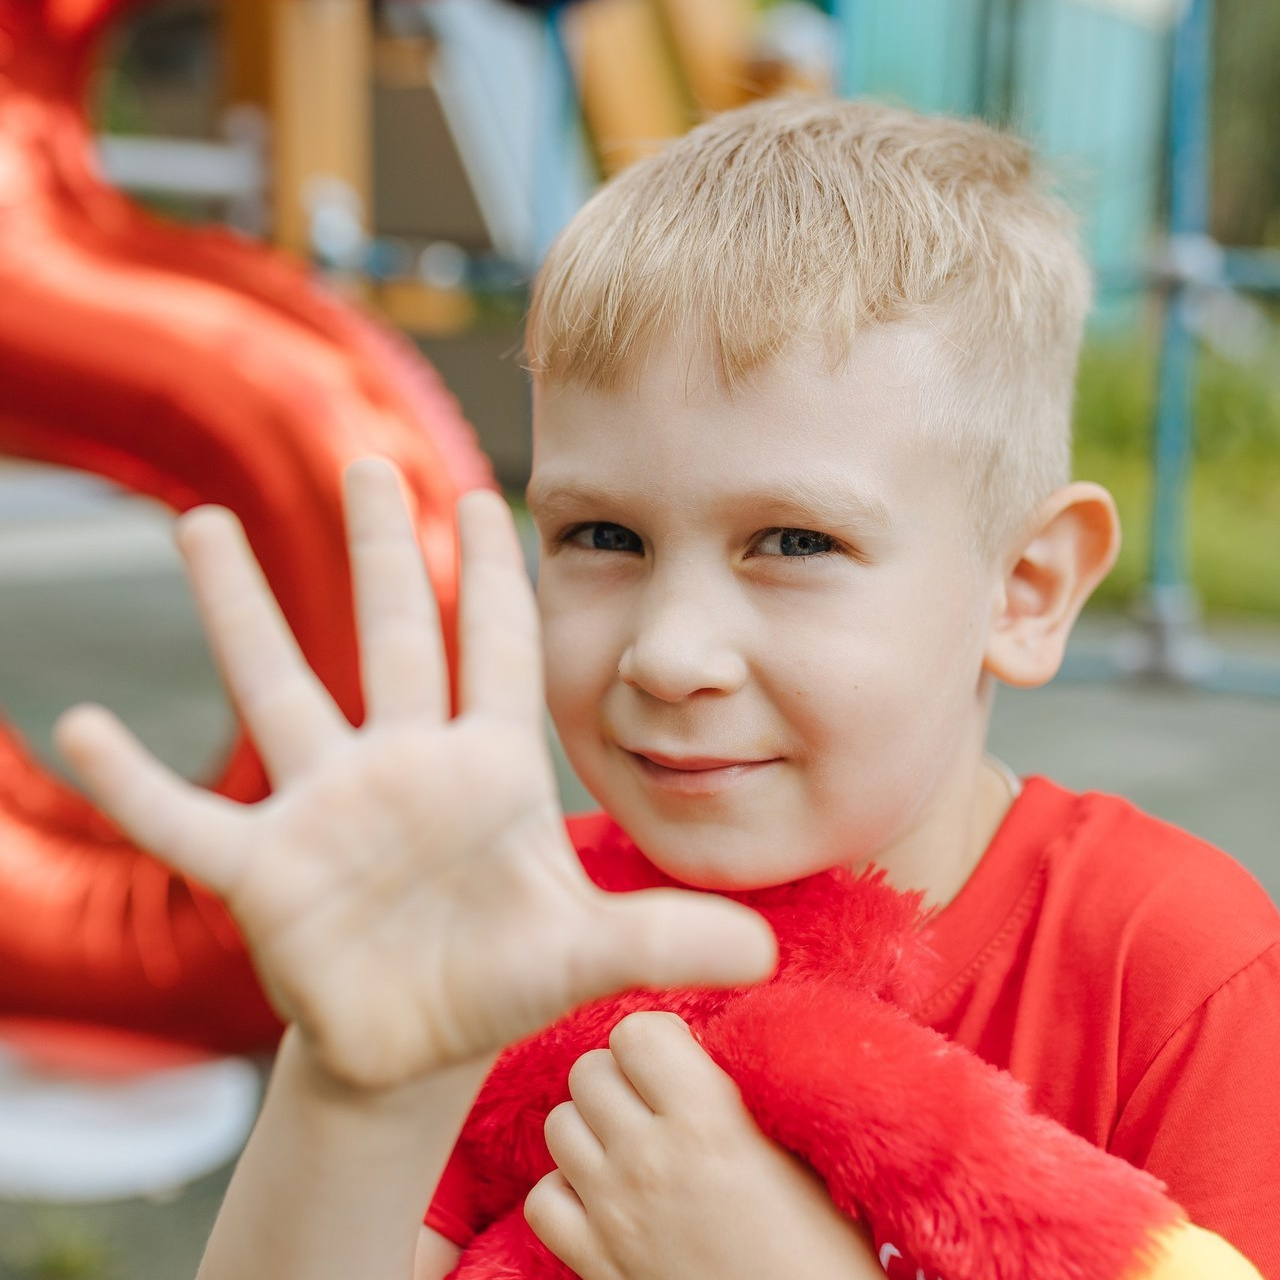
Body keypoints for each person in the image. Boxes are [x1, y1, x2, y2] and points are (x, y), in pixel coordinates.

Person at [55, 97, 1280, 1280]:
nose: (668, 651)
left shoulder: (1173, 973)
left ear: (1023, 585)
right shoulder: (515, 929)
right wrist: (352, 1089)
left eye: (792, 542)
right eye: (602, 535)